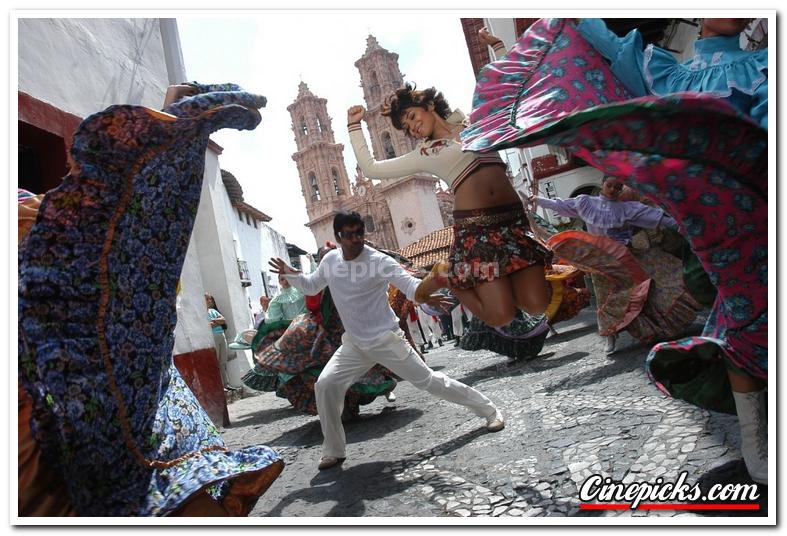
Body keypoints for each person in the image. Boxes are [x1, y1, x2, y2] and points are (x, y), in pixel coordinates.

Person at [461, 18, 768, 485]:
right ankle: (757, 447)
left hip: (759, 209)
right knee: (744, 325)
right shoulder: (660, 71)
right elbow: (598, 39)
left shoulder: (762, 66)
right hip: (715, 235)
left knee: (733, 315)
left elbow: (657, 217)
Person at [18, 83, 284, 516]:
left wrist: (166, 133)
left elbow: (112, 239)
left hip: (121, 409)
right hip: (64, 434)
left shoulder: (30, 217)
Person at [269, 211, 506, 471]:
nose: (356, 239)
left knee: (430, 382)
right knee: (325, 385)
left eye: (360, 233)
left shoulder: (379, 261)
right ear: (338, 237)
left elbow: (411, 286)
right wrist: (291, 274)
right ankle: (334, 450)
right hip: (354, 345)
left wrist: (427, 291)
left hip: (387, 339)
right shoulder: (330, 262)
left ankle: (489, 410)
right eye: (349, 235)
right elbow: (311, 286)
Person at [347, 86, 552, 329]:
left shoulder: (472, 125)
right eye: (407, 127)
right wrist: (354, 127)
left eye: (412, 116)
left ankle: (483, 277)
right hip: (479, 234)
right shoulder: (425, 153)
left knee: (537, 304)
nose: (412, 127)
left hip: (513, 224)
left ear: (429, 106)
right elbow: (372, 168)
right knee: (501, 316)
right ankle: (444, 275)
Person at [533, 175, 701, 355]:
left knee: (653, 284)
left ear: (621, 189)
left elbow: (658, 217)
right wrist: (538, 200)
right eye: (609, 185)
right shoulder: (586, 202)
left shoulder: (627, 209)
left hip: (625, 257)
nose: (612, 189)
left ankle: (657, 326)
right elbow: (561, 206)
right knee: (608, 299)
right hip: (601, 263)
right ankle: (610, 335)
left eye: (617, 187)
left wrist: (687, 227)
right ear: (602, 184)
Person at [244, 244, 398, 418]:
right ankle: (345, 407)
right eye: (325, 257)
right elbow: (308, 295)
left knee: (364, 365)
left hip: (348, 329)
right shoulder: (312, 281)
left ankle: (382, 388)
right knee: (320, 370)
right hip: (318, 331)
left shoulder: (348, 275)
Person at [205, 293, 232, 388]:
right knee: (216, 361)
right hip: (213, 336)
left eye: (210, 299)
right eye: (207, 299)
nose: (209, 301)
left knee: (223, 361)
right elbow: (208, 325)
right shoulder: (203, 312)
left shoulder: (213, 311)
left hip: (221, 335)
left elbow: (223, 320)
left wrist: (214, 321)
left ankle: (226, 384)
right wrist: (217, 322)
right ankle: (219, 385)